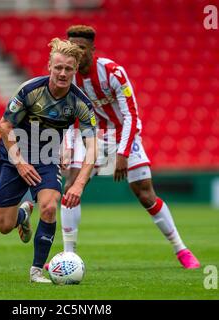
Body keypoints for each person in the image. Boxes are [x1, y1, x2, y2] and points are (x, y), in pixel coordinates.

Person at [58, 25, 200, 269]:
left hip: (124, 134)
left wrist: (122, 153)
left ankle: (182, 250)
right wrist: (68, 147)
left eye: (81, 48)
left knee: (145, 193)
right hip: (95, 137)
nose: (76, 53)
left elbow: (131, 114)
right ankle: (68, 257)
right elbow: (71, 116)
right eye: (72, 48)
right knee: (71, 187)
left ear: (92, 49)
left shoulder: (113, 72)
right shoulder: (69, 77)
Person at [0, 38, 97, 283]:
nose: (62, 73)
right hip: (14, 153)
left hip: (47, 155)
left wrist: (79, 184)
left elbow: (93, 148)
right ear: (49, 66)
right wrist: (19, 162)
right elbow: (4, 125)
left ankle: (36, 271)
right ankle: (22, 215)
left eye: (68, 69)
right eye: (58, 67)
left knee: (50, 207)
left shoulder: (81, 103)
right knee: (4, 226)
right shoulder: (30, 90)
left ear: (75, 70)